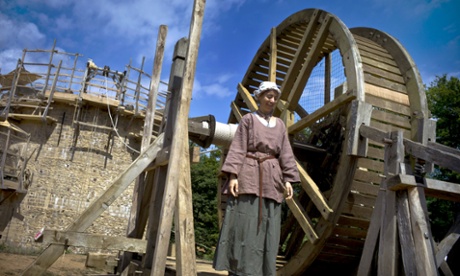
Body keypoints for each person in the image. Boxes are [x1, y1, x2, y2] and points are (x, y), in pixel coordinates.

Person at [213, 81, 300, 276]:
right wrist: (233, 176)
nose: (272, 100)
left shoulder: (279, 125)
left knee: (268, 226)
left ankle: (261, 271)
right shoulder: (248, 120)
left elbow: (286, 153)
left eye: (275, 98)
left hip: (272, 179)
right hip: (248, 175)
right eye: (268, 96)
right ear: (259, 97)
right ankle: (237, 268)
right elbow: (238, 147)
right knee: (243, 223)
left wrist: (287, 179)